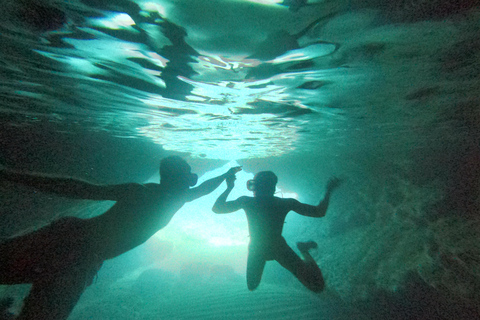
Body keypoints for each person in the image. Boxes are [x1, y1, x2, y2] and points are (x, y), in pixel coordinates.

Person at [0, 156, 241, 319]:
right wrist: (15, 176)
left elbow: (205, 188)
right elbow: (78, 188)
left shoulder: (178, 197)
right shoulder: (141, 192)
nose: (193, 177)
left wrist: (226, 175)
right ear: (174, 177)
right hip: (70, 244)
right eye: (188, 172)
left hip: (82, 255)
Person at [212, 170, 342, 292]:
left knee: (252, 285)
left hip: (258, 247)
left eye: (254, 185)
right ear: (273, 188)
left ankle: (303, 250)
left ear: (256, 187)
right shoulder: (284, 203)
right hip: (278, 247)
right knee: (316, 286)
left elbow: (217, 208)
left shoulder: (247, 201)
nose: (253, 189)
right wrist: (328, 191)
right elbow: (319, 212)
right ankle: (303, 250)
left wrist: (229, 187)